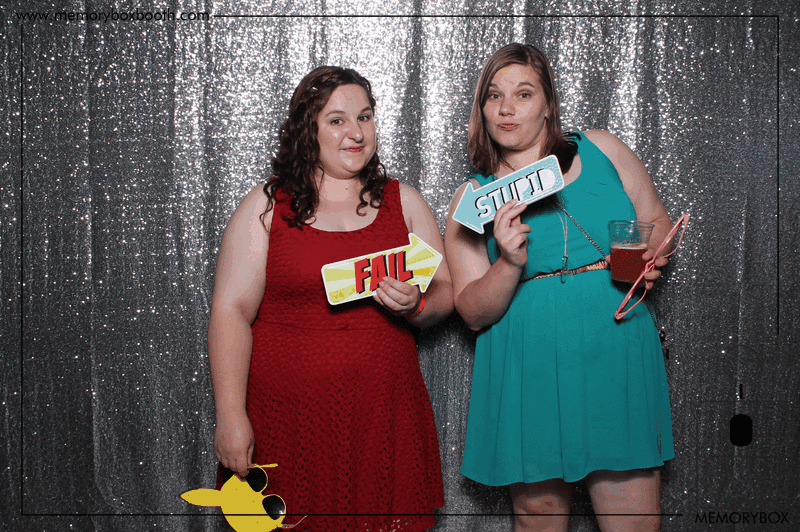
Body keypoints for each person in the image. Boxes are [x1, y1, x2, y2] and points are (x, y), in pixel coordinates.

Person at [207, 66, 452, 531]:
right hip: (288, 420)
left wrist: (418, 305)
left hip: (381, 417)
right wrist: (230, 415)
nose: (355, 133)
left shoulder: (405, 202)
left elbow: (444, 292)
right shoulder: (266, 206)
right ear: (309, 130)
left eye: (365, 117)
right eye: (337, 120)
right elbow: (230, 312)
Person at [444, 43, 675, 532]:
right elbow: (473, 311)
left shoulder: (602, 148)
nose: (506, 109)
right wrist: (509, 262)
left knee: (633, 514)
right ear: (481, 109)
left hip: (614, 344)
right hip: (526, 360)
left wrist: (648, 258)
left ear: (548, 103)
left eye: (523, 94)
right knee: (538, 516)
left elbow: (655, 220)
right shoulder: (473, 198)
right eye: (493, 96)